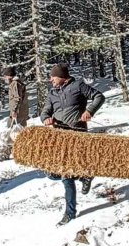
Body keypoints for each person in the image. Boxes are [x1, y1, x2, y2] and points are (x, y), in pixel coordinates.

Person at [40, 63, 106, 226]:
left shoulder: (78, 86)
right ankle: (84, 176)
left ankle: (70, 212)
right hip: (60, 137)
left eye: (53, 77)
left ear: (61, 76)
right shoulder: (52, 93)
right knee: (51, 174)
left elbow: (99, 96)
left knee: (66, 176)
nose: (51, 80)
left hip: (78, 134)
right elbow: (45, 112)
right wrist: (46, 119)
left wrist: (89, 111)